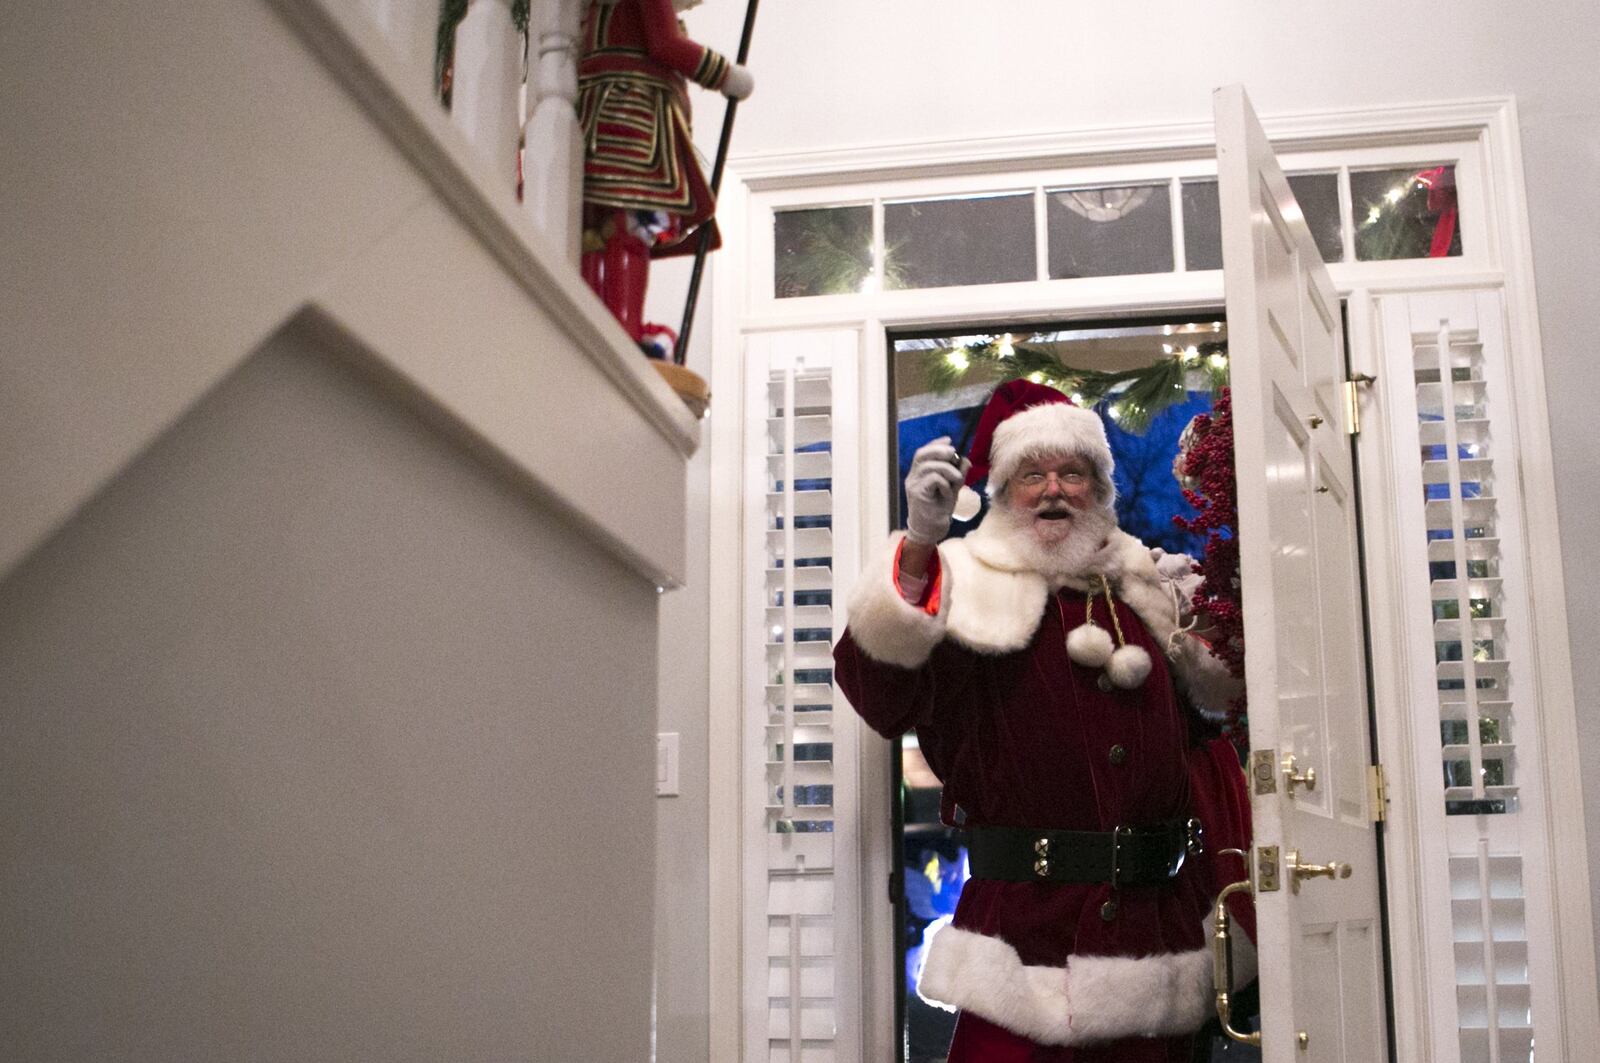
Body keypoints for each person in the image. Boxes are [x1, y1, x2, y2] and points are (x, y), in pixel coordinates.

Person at [834, 380, 1255, 1061]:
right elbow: (878, 691)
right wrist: (918, 547)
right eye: (1033, 473)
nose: (1054, 488)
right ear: (1001, 492)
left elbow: (1222, 711)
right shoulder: (964, 587)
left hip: (1155, 942)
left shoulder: (1150, 590)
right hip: (1020, 950)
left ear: (1101, 492)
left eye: (1073, 472)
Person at [577, 0, 753, 346]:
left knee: (604, 230)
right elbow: (665, 44)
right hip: (632, 121)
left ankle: (609, 322)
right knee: (631, 227)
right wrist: (725, 75)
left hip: (618, 117)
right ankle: (622, 329)